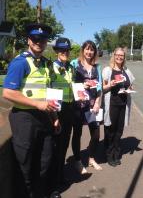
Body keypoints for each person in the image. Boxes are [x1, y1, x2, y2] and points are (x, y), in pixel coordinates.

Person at [2, 23, 60, 198]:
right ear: (29, 40)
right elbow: (8, 93)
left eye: (42, 40)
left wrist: (55, 116)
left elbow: (48, 92)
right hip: (24, 119)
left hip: (45, 118)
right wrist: (37, 104)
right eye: (35, 39)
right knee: (24, 164)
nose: (39, 42)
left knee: (44, 161)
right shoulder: (20, 62)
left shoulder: (45, 64)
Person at [70, 40, 102, 174]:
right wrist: (82, 86)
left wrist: (98, 103)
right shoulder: (74, 64)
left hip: (92, 105)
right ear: (83, 50)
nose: (89, 52)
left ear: (94, 52)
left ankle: (91, 158)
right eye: (87, 49)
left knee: (96, 134)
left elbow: (99, 86)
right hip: (78, 105)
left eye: (92, 50)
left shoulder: (97, 67)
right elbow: (70, 83)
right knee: (77, 133)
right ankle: (77, 161)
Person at [48, 37, 74, 198]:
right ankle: (53, 185)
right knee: (54, 148)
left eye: (67, 50)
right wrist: (54, 115)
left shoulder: (70, 67)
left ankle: (59, 175)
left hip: (69, 109)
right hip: (56, 111)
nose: (65, 52)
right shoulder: (51, 67)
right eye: (62, 50)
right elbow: (48, 90)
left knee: (64, 145)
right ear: (56, 51)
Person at [102, 47, 135, 167]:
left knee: (119, 130)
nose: (119, 57)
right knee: (110, 130)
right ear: (114, 55)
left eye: (122, 55)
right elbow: (102, 88)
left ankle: (116, 151)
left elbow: (130, 85)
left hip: (123, 104)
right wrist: (110, 85)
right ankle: (109, 154)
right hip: (112, 104)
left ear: (124, 57)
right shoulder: (107, 70)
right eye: (118, 55)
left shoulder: (126, 70)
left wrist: (129, 90)